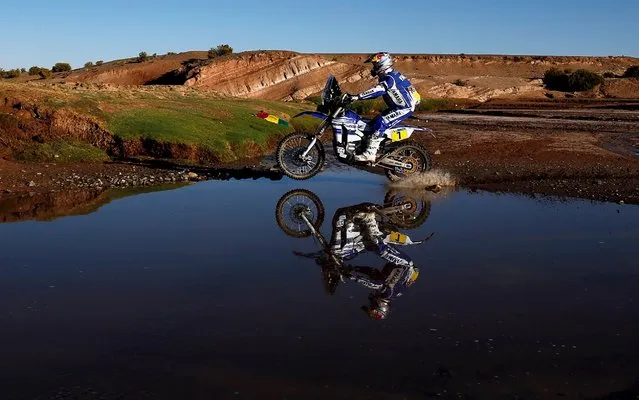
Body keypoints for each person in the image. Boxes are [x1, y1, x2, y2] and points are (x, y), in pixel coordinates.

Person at [346, 52, 421, 162]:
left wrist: (357, 97)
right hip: (398, 107)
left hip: (403, 108)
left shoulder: (389, 77)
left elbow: (378, 91)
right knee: (373, 123)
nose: (374, 67)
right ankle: (372, 147)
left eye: (375, 65)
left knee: (381, 123)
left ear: (381, 64)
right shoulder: (391, 75)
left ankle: (370, 154)